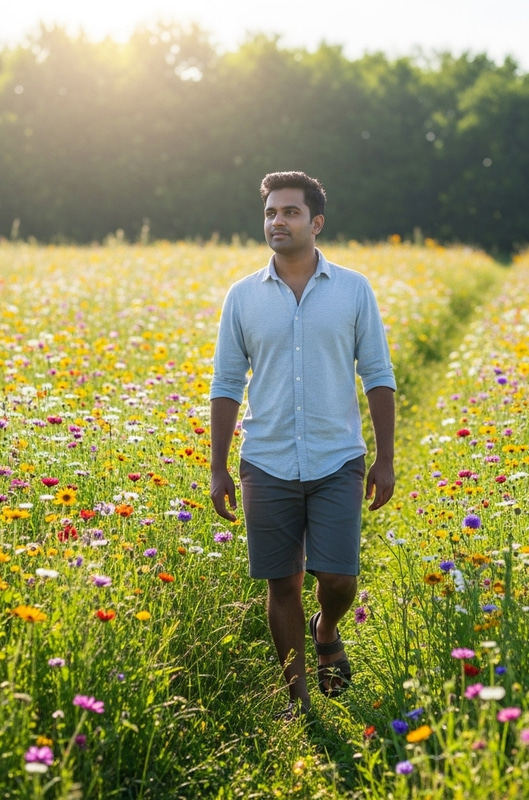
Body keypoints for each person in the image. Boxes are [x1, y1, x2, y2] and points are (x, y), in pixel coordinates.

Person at [209, 171, 396, 719]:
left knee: (339, 578)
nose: (277, 221)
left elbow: (378, 375)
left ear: (315, 223)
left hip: (337, 456)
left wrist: (385, 459)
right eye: (270, 212)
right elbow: (225, 384)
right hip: (264, 460)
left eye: (289, 212)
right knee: (282, 583)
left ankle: (328, 627)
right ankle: (301, 703)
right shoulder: (242, 297)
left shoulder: (354, 289)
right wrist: (218, 467)